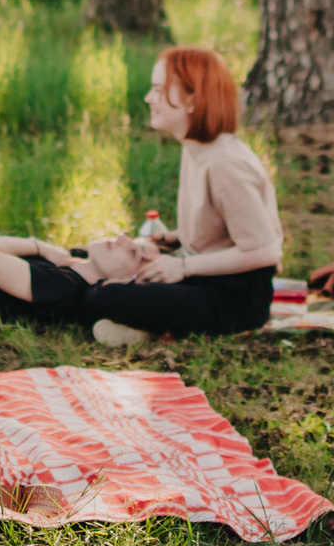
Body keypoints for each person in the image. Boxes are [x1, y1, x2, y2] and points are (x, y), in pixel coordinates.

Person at [82, 46, 283, 346]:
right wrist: (175, 239)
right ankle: (147, 326)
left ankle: (145, 326)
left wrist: (183, 267)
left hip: (236, 299)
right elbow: (223, 230)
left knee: (105, 294)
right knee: (92, 260)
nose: (149, 98)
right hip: (206, 277)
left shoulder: (225, 163)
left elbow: (266, 252)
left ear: (192, 99)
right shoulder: (196, 147)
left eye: (158, 89)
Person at [0, 232, 156, 327]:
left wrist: (40, 247)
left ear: (126, 281)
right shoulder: (65, 266)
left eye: (134, 252)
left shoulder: (64, 288)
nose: (123, 237)